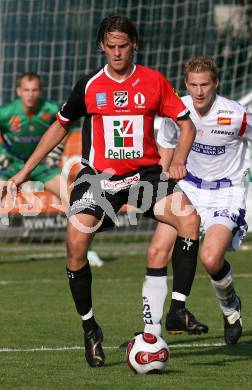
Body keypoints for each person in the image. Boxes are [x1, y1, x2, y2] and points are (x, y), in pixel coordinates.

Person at [6, 15, 202, 368]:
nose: (116, 52)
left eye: (123, 46)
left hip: (144, 175)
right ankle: (90, 328)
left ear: (134, 44)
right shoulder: (89, 85)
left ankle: (177, 310)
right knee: (75, 243)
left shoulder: (154, 82)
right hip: (98, 178)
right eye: (110, 46)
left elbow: (185, 124)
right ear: (101, 46)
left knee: (189, 219)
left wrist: (179, 160)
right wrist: (23, 172)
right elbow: (59, 128)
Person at [142, 56, 252, 345]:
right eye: (193, 85)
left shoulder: (237, 115)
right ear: (186, 84)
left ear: (216, 83)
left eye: (204, 85)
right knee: (156, 252)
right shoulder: (177, 111)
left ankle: (230, 309)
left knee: (211, 258)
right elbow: (165, 147)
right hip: (187, 188)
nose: (199, 92)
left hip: (224, 193)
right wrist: (159, 184)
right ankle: (151, 332)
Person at [0, 72, 104, 267]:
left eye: (35, 90)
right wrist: (1, 155)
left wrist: (57, 149)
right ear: (18, 92)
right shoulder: (6, 112)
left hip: (41, 166)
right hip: (12, 165)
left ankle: (86, 251)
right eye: (26, 90)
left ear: (40, 91)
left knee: (76, 201)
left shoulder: (50, 109)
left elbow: (67, 124)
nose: (31, 94)